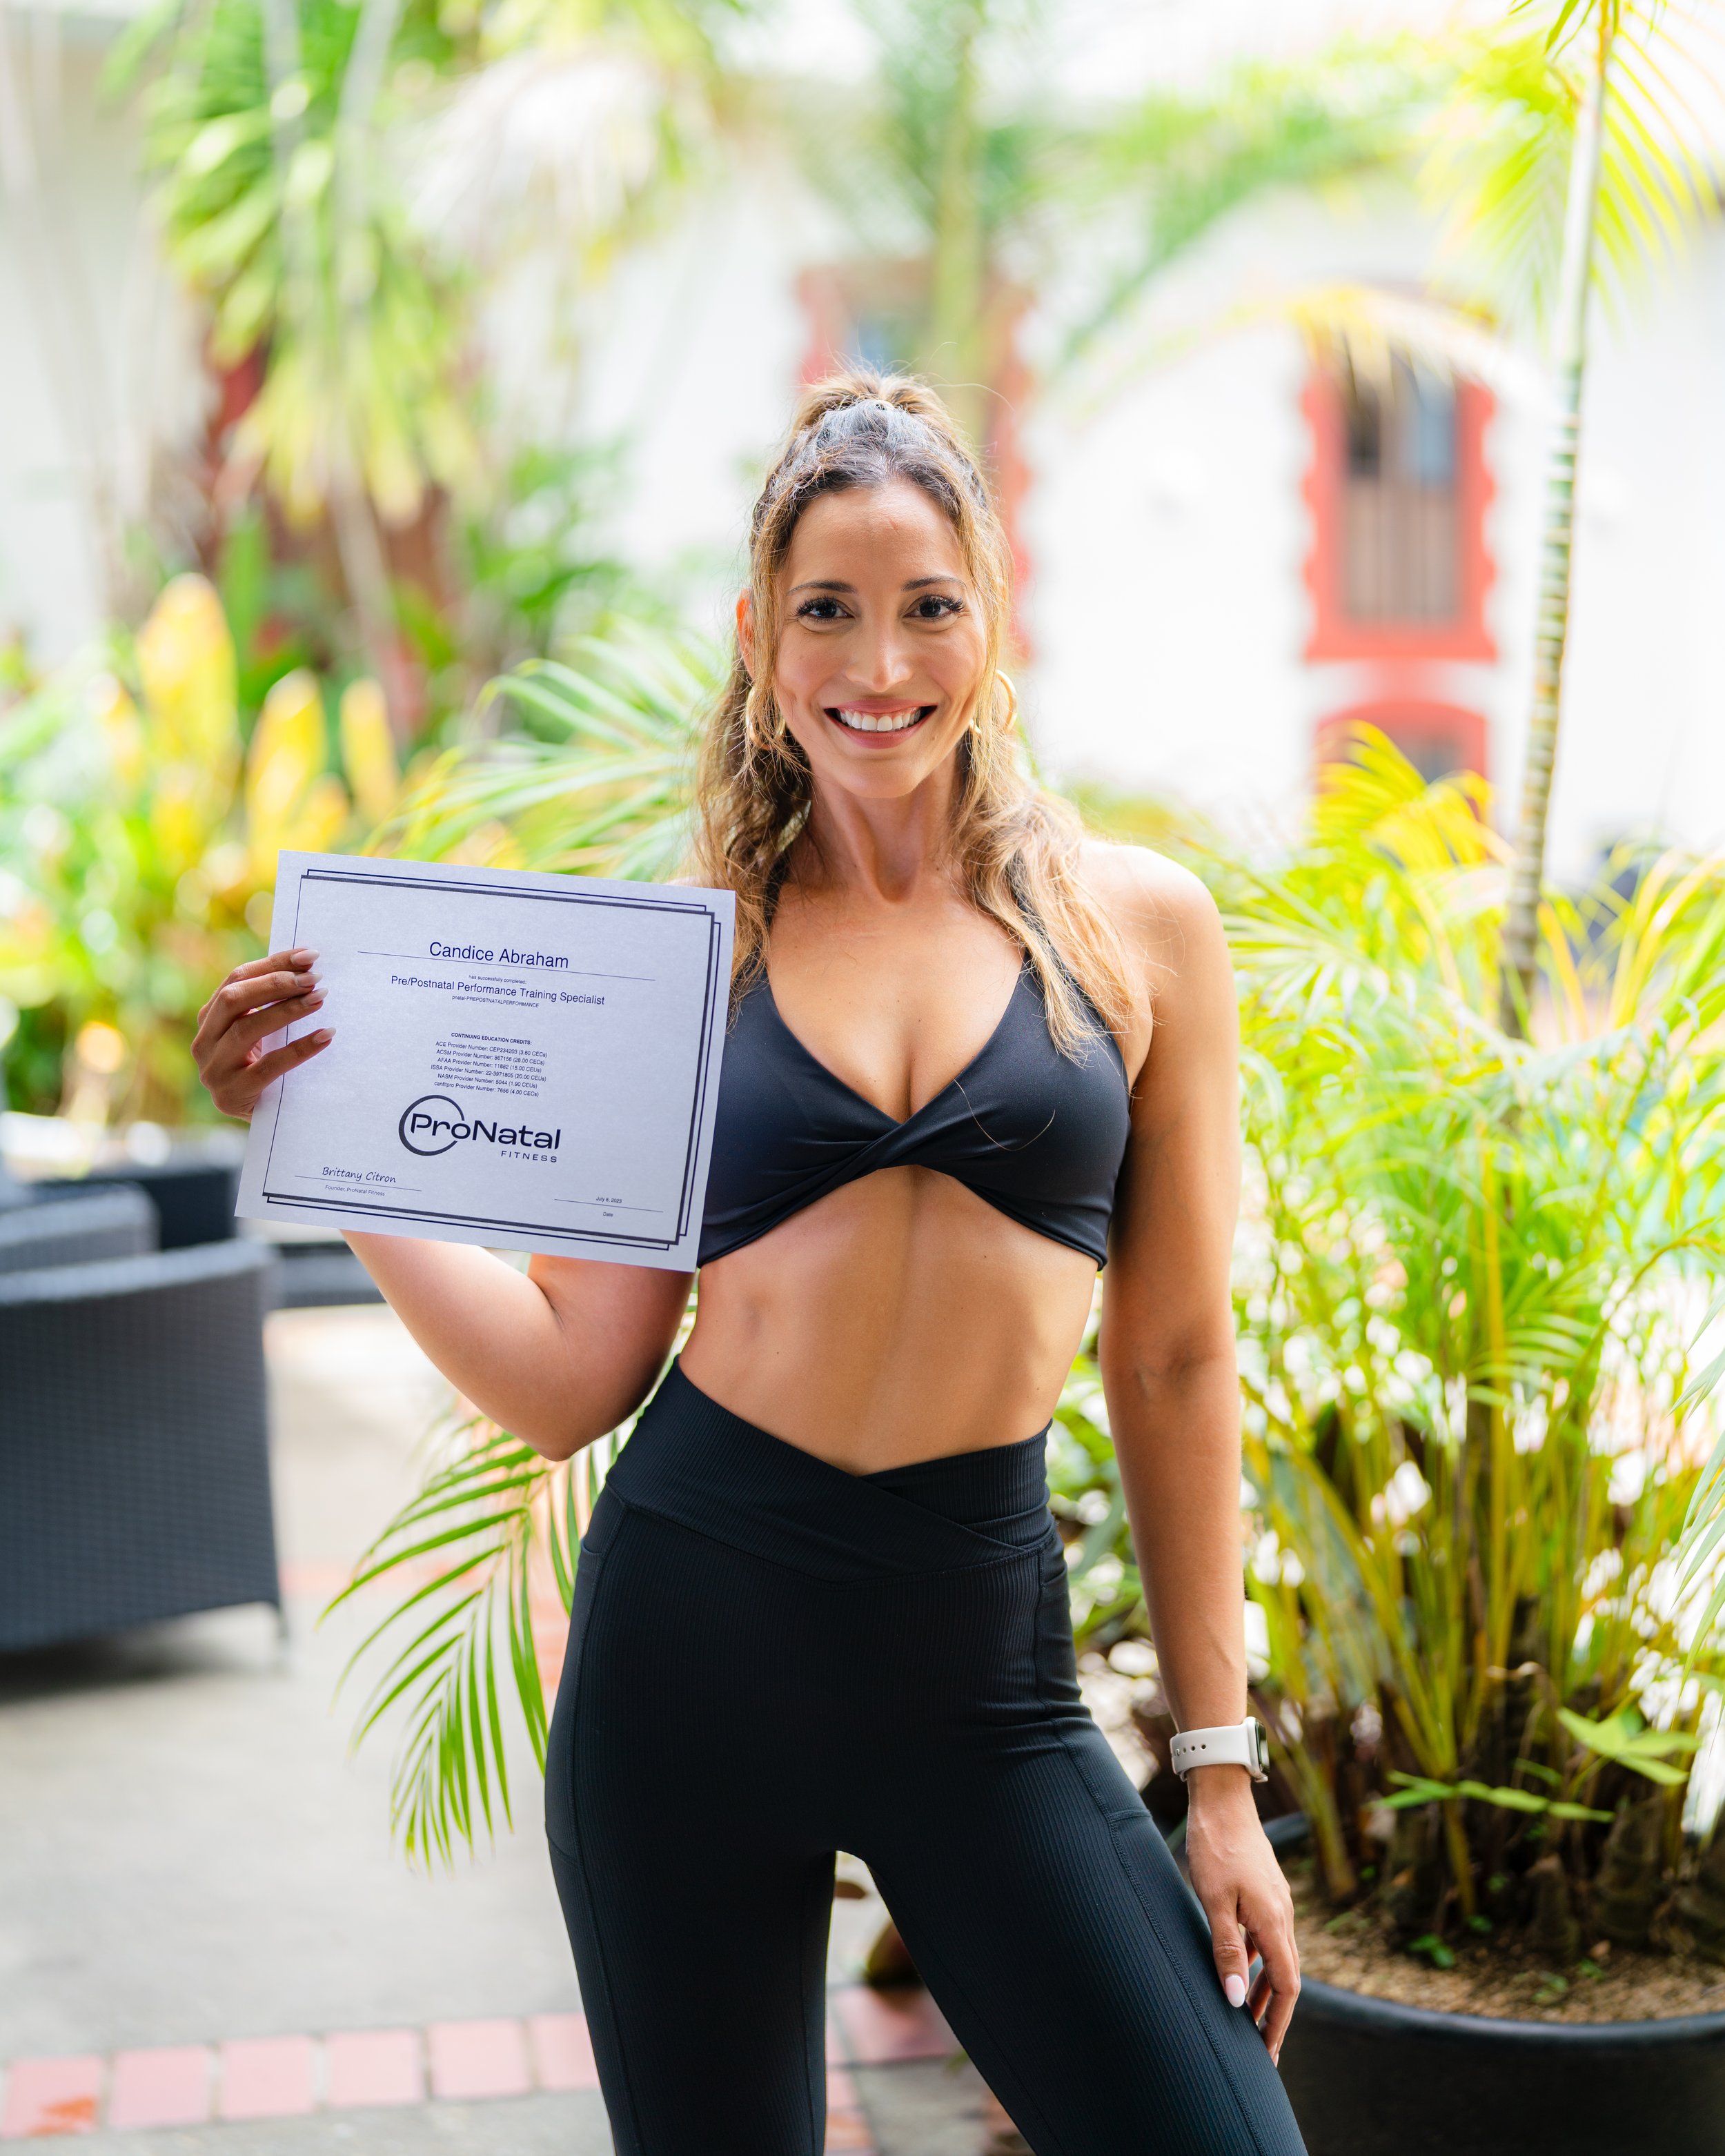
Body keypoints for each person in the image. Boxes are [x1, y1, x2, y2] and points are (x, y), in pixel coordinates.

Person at [193, 373, 1305, 2156]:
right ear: (755, 634)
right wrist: (334, 1153)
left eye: (926, 604)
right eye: (827, 610)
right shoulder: (672, 958)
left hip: (983, 1688)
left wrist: (1218, 1774)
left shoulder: (1134, 926)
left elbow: (1170, 1360)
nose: (880, 662)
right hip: (687, 1669)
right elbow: (570, 1383)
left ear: (991, 617)